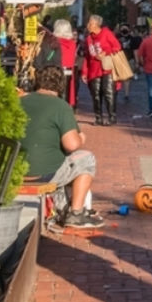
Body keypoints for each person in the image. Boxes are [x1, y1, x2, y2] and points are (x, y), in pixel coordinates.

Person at [20, 65, 104, 228]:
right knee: (86, 159)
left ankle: (60, 208)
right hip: (42, 173)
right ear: (61, 85)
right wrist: (81, 137)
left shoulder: (21, 101)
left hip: (14, 171)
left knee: (60, 159)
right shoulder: (60, 106)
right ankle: (76, 213)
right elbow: (71, 145)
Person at [83, 15, 122, 126]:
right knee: (95, 94)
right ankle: (98, 117)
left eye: (90, 23)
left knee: (108, 92)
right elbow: (87, 56)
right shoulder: (89, 39)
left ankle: (112, 117)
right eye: (88, 23)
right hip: (94, 70)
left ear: (97, 24)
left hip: (107, 68)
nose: (88, 25)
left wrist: (105, 53)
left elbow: (117, 47)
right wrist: (85, 72)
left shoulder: (106, 33)